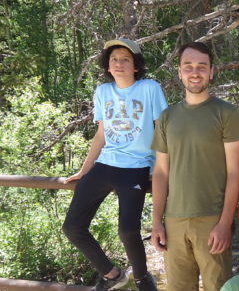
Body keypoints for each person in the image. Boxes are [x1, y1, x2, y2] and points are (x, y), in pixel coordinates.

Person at [62, 38, 166, 291]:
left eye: (125, 60)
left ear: (136, 66)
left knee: (128, 230)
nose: (119, 64)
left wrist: (161, 168)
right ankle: (112, 274)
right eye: (114, 60)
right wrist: (84, 171)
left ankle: (142, 279)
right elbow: (101, 135)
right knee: (72, 227)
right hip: (106, 164)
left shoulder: (149, 88)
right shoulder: (103, 92)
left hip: (137, 166)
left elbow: (164, 129)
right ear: (108, 67)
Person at [150, 41, 239, 291]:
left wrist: (225, 223)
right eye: (188, 66)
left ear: (212, 71)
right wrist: (157, 221)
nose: (195, 72)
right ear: (180, 72)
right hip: (174, 220)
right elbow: (160, 172)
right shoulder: (167, 117)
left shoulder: (227, 113)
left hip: (212, 219)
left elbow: (235, 172)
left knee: (219, 286)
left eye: (202, 66)